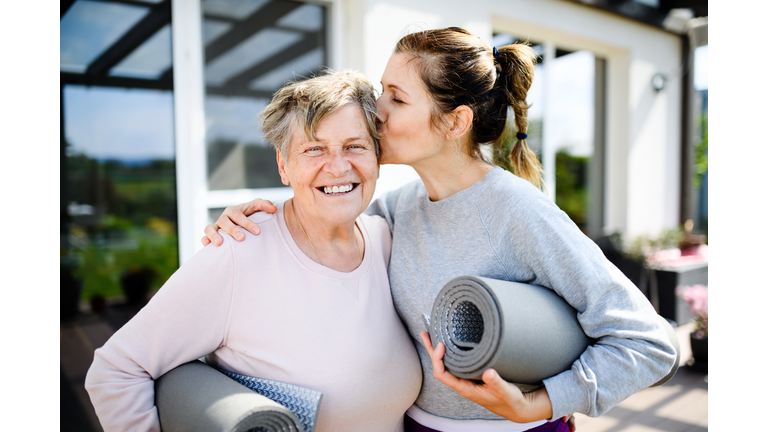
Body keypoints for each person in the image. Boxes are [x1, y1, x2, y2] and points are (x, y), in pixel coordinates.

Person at [202, 27, 677, 432]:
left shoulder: (519, 213)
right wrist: (261, 220)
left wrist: (541, 402)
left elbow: (648, 343)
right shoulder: (397, 208)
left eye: (397, 98)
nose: (376, 110)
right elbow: (324, 223)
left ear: (455, 122)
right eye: (380, 90)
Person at [85, 70, 422, 432]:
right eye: (313, 148)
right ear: (283, 165)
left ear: (376, 157)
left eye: (355, 146)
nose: (338, 167)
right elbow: (116, 371)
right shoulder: (239, 252)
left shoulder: (383, 238)